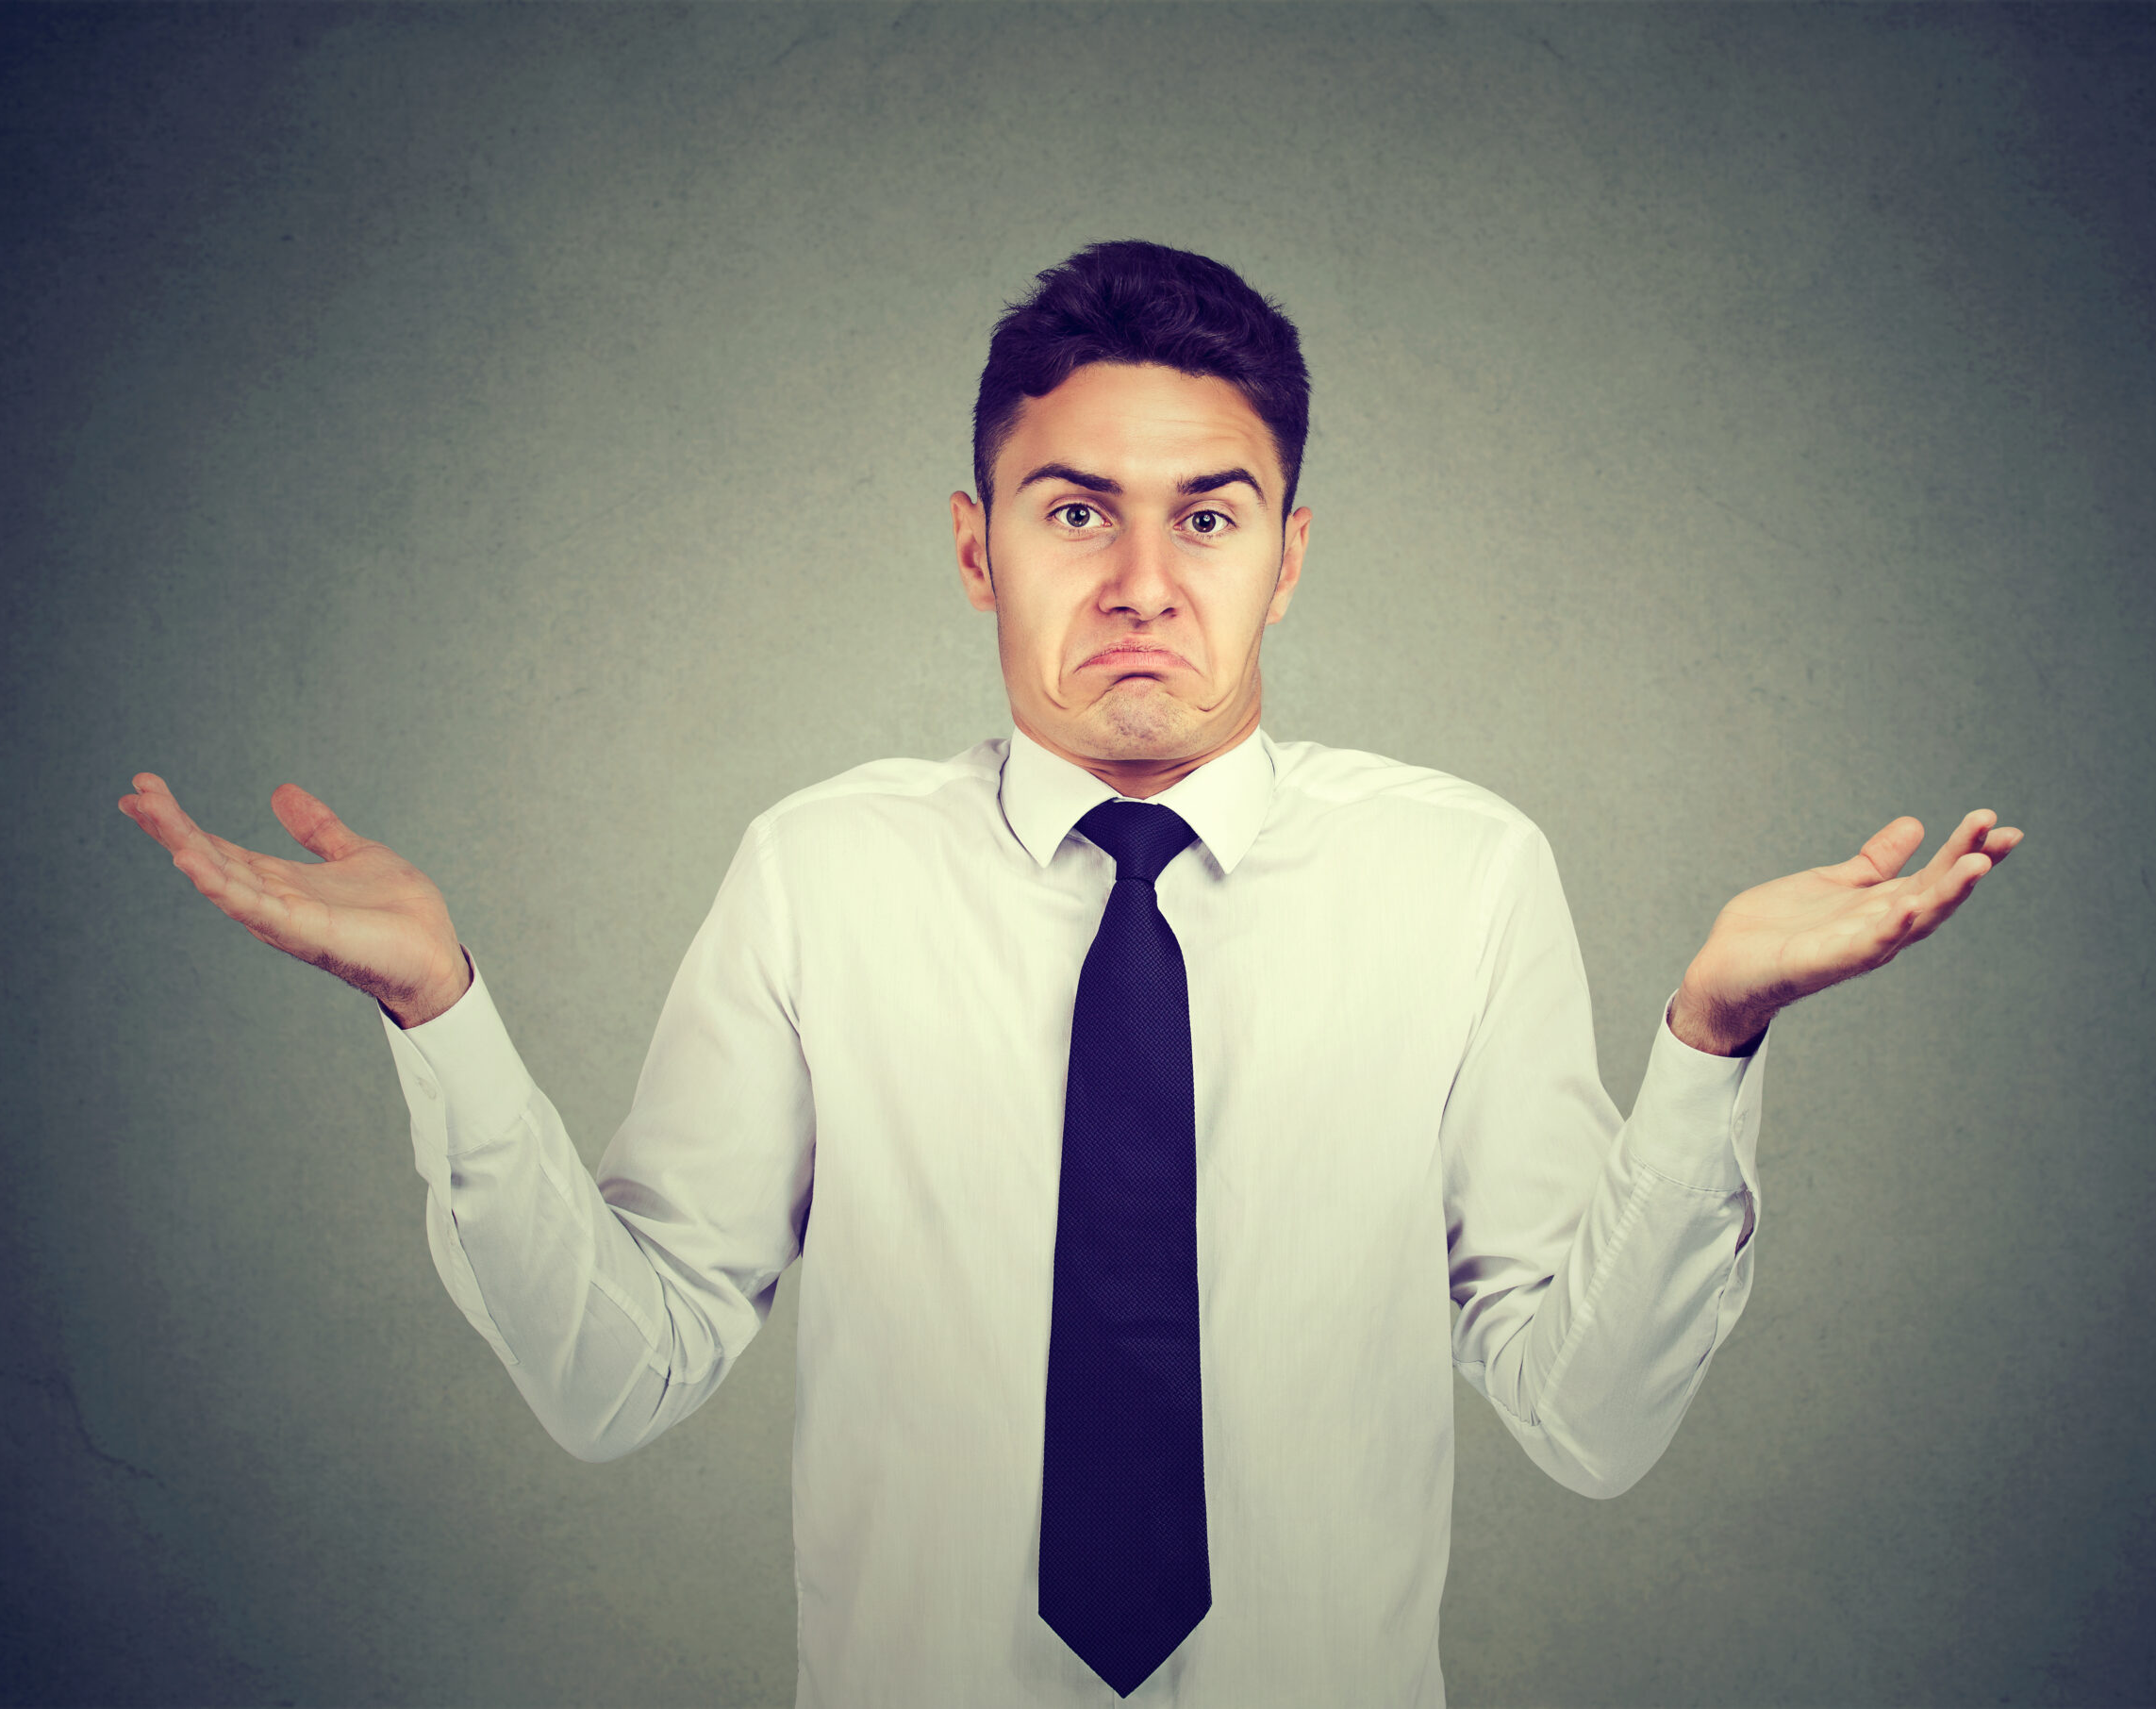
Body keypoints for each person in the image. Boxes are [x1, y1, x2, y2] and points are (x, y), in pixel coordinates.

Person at [118, 241, 2021, 1707]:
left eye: (1206, 513)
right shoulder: (820, 872)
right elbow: (617, 1375)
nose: (1137, 579)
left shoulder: (1464, 876)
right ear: (974, 548)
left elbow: (1587, 1423)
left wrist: (1707, 1039)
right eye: (1069, 510)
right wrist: (438, 1011)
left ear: (1287, 556)